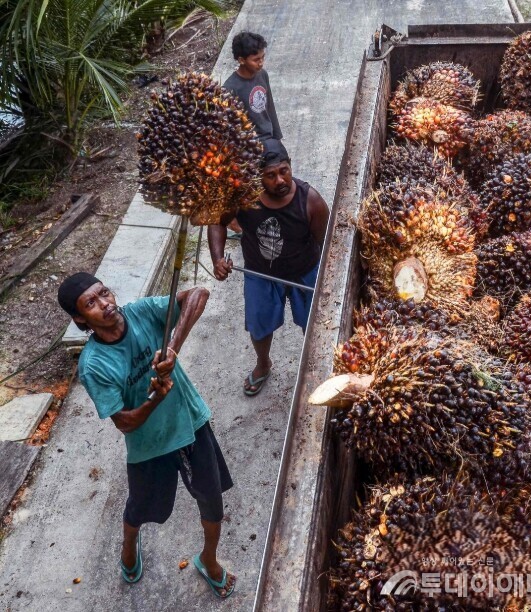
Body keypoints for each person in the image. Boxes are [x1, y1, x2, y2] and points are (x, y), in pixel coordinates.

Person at [57, 273, 237, 599]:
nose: (105, 304)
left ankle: (208, 559)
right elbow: (124, 423)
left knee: (212, 502)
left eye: (104, 293)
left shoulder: (141, 312)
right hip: (149, 446)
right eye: (91, 303)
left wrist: (172, 348)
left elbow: (198, 293)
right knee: (140, 508)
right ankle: (129, 543)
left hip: (190, 422)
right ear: (80, 319)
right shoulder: (93, 365)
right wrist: (155, 399)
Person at [208, 142, 329, 396]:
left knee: (314, 325)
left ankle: (314, 367)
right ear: (257, 177)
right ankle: (263, 364)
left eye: (284, 171)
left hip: (304, 272)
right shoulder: (243, 198)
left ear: (290, 165)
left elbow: (329, 245)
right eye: (270, 175)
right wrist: (217, 258)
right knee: (259, 325)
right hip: (260, 274)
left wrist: (325, 279)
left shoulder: (311, 201)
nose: (280, 180)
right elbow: (217, 222)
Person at [223, 31, 283, 240]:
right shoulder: (230, 89)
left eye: (262, 57)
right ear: (241, 60)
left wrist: (277, 138)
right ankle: (246, 229)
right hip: (249, 150)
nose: (261, 63)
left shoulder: (262, 75)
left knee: (274, 185)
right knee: (252, 192)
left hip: (269, 140)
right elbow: (231, 129)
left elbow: (269, 107)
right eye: (256, 59)